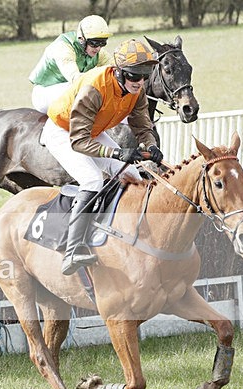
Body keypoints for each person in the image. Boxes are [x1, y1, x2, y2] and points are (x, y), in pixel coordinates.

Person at [42, 39, 164, 275]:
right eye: (133, 76)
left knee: (132, 174)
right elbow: (78, 140)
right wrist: (116, 152)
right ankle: (73, 249)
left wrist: (151, 145)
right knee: (92, 179)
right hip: (63, 130)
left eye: (144, 76)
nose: (139, 82)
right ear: (119, 71)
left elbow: (141, 125)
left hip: (92, 131)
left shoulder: (136, 90)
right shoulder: (94, 87)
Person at [29, 15, 113, 113]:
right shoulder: (63, 47)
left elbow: (114, 68)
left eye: (102, 43)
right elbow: (76, 78)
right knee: (88, 91)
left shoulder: (98, 52)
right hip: (44, 93)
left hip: (67, 89)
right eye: (94, 43)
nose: (98, 48)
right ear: (82, 38)